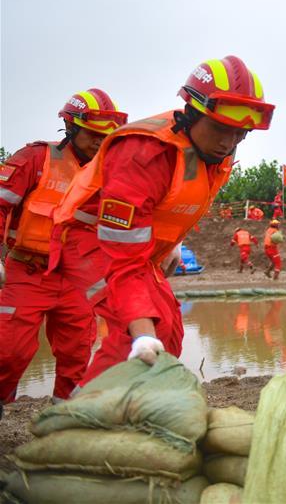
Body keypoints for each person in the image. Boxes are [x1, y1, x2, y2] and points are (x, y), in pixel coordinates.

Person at [54, 55, 274, 382]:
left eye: (241, 134)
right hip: (91, 241)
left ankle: (128, 409)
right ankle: (88, 419)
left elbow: (177, 203)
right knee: (139, 334)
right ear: (192, 112)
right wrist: (141, 331)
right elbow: (122, 255)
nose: (229, 142)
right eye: (220, 129)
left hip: (143, 249)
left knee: (168, 334)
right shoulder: (144, 153)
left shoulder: (216, 153)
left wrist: (175, 243)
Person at [0, 88, 127, 410]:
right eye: (92, 135)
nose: (99, 143)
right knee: (9, 350)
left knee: (77, 353)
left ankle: (64, 417)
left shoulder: (110, 171)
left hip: (77, 277)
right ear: (71, 127)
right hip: (28, 270)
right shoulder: (36, 159)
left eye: (105, 136)